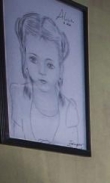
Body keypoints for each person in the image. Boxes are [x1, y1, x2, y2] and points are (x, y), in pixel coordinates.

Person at [8, 12, 81, 147]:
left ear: (60, 69)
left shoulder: (69, 110)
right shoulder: (16, 96)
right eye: (33, 59)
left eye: (49, 65)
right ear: (24, 59)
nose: (41, 71)